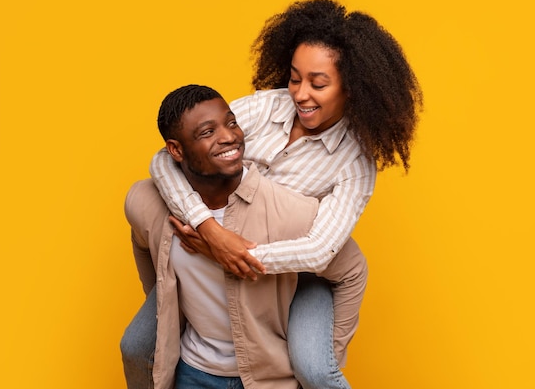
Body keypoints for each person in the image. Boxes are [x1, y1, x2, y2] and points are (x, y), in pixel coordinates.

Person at [149, 0, 423, 388]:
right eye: (295, 78)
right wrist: (209, 229)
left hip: (299, 275)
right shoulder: (265, 108)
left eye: (318, 83)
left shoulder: (355, 164)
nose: (300, 94)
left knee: (313, 369)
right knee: (140, 343)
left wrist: (237, 255)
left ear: (354, 87)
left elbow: (319, 249)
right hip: (211, 249)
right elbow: (165, 160)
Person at [121, 84, 367, 389]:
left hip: (268, 376)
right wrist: (165, 295)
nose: (228, 135)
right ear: (176, 150)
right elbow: (143, 232)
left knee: (315, 369)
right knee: (133, 345)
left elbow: (346, 265)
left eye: (232, 123)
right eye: (208, 132)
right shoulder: (146, 200)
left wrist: (328, 353)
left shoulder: (294, 211)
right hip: (193, 373)